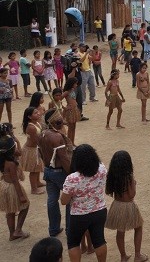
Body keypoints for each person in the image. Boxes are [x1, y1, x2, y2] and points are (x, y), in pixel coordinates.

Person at [61, 144, 108, 262]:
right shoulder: (102, 168)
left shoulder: (72, 178)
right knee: (99, 240)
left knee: (73, 243)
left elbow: (63, 201)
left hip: (79, 215)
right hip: (100, 211)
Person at [105, 150, 148, 262]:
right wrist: (134, 183)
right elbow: (132, 194)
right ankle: (137, 255)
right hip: (128, 206)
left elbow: (108, 191)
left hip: (117, 205)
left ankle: (123, 256)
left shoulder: (112, 176)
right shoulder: (128, 177)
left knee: (120, 232)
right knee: (138, 227)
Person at [38, 108, 74, 238]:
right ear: (52, 123)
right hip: (59, 172)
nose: (62, 124)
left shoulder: (41, 134)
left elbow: (41, 154)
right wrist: (71, 174)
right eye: (59, 122)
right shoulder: (57, 137)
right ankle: (70, 229)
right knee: (70, 200)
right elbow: (64, 158)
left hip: (48, 170)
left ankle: (53, 229)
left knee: (52, 200)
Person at [0, 134, 30, 241]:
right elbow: (15, 180)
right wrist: (21, 195)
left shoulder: (2, 160)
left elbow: (19, 153)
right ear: (11, 150)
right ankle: (18, 230)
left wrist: (16, 141)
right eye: (14, 147)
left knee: (10, 211)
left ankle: (12, 234)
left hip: (4, 185)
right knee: (25, 205)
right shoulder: (11, 163)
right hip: (12, 187)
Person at [21, 107, 45, 195]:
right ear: (29, 117)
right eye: (35, 113)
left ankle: (37, 182)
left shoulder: (37, 123)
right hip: (31, 150)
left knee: (37, 167)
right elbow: (36, 141)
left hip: (35, 148)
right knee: (33, 170)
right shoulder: (31, 127)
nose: (38, 113)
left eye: (37, 112)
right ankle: (33, 189)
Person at [62, 77, 81, 144]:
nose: (76, 85)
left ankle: (72, 142)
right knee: (70, 128)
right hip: (70, 111)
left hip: (75, 110)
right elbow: (58, 100)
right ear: (71, 84)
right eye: (75, 84)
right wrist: (64, 108)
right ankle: (69, 143)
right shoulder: (66, 92)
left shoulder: (72, 90)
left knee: (73, 127)